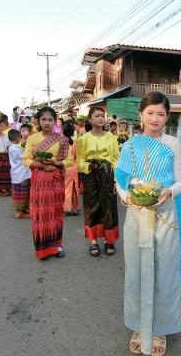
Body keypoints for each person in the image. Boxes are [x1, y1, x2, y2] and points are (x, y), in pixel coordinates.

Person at [115, 92, 181, 356]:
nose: (155, 119)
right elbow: (121, 179)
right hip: (137, 216)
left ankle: (159, 328)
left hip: (166, 215)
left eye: (161, 114)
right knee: (137, 272)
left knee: (165, 272)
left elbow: (180, 182)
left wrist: (168, 192)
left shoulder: (172, 144)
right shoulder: (130, 145)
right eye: (150, 113)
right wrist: (126, 195)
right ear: (141, 114)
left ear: (167, 117)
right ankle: (140, 326)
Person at [22, 107, 73, 260]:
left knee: (56, 212)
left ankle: (57, 246)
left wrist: (56, 163)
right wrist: (43, 166)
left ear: (55, 121)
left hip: (55, 180)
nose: (47, 122)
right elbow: (26, 159)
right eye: (43, 119)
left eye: (50, 119)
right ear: (38, 121)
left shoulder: (62, 139)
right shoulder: (33, 138)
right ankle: (43, 249)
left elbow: (69, 160)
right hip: (39, 179)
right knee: (41, 213)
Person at [76, 106, 119, 257]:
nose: (101, 118)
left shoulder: (111, 137)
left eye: (102, 116)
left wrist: (116, 181)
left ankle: (109, 240)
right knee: (91, 207)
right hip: (90, 175)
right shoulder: (83, 139)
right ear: (90, 119)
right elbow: (79, 160)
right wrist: (88, 166)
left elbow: (116, 159)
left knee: (109, 207)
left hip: (107, 174)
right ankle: (93, 241)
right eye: (97, 116)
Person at [8, 130, 31, 219]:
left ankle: (24, 210)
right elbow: (24, 157)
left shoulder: (15, 147)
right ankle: (19, 212)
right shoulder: (14, 148)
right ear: (18, 137)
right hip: (20, 173)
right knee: (21, 193)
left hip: (22, 173)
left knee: (24, 193)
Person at [63, 121, 81, 216]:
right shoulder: (75, 143)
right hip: (74, 167)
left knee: (66, 188)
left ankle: (66, 208)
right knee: (74, 188)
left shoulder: (61, 142)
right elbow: (78, 156)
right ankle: (75, 208)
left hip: (65, 167)